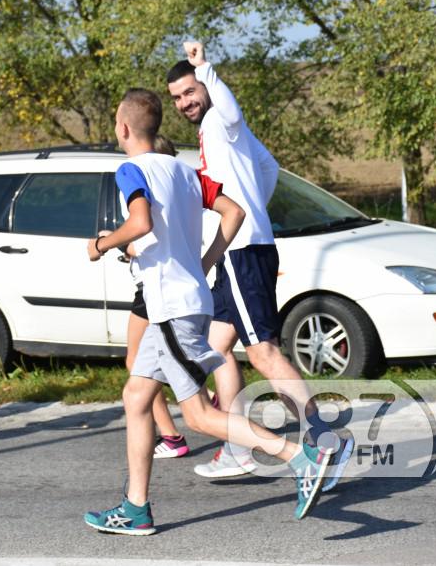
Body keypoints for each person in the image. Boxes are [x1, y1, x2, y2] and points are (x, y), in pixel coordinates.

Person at [83, 89, 333, 535]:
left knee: (197, 415)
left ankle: (299, 456)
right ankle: (135, 507)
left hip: (170, 308)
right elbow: (233, 212)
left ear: (123, 128)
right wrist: (208, 260)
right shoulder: (184, 171)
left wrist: (102, 244)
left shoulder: (130, 170)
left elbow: (139, 223)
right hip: (185, 301)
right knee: (137, 396)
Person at [167, 41, 353, 488]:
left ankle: (323, 439)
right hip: (246, 245)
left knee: (264, 353)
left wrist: (205, 68)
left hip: (243, 250)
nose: (185, 102)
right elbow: (268, 167)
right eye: (177, 97)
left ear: (204, 88)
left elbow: (230, 112)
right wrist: (255, 209)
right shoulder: (222, 134)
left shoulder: (221, 120)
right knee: (214, 349)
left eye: (190, 92)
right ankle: (237, 447)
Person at [121, 134, 190, 459]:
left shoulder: (140, 178)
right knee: (145, 373)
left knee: (137, 364)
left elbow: (142, 236)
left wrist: (112, 243)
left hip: (156, 289)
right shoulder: (182, 184)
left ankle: (173, 435)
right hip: (167, 289)